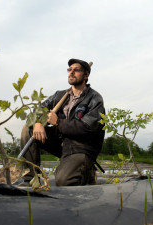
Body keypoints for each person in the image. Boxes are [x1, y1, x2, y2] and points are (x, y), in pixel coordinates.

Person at [20, 58, 105, 186]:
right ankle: (31, 180)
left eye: (76, 70)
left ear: (86, 75)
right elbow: (37, 111)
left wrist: (58, 122)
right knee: (28, 128)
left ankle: (87, 171)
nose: (71, 72)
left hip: (81, 148)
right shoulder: (59, 96)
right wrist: (37, 122)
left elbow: (88, 128)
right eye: (70, 69)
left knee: (62, 181)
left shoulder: (94, 98)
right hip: (62, 144)